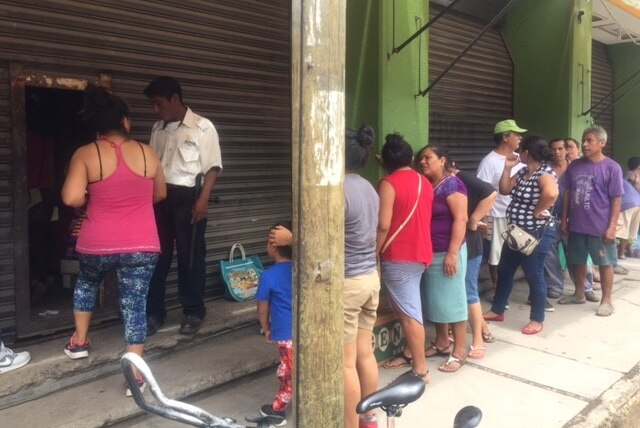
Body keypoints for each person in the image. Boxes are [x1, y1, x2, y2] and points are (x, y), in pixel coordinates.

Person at [61, 86, 166, 394]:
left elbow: (70, 197)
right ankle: (135, 375)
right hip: (142, 244)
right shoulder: (148, 152)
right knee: (135, 304)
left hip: (98, 244)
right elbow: (160, 193)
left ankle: (79, 341)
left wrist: (91, 195)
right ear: (125, 121)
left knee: (87, 283)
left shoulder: (86, 153)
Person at [144, 77, 223, 336]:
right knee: (157, 257)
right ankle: (154, 312)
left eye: (159, 104)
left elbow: (212, 167)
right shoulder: (157, 128)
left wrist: (203, 201)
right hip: (160, 199)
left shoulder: (202, 127)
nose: (156, 110)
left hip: (189, 199)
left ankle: (193, 311)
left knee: (191, 257)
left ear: (175, 99)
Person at [483, 136, 558, 335]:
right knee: (505, 269)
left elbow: (551, 194)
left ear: (527, 153)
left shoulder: (544, 173)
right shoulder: (524, 171)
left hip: (536, 233)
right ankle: (497, 310)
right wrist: (507, 168)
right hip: (517, 231)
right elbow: (505, 189)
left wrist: (538, 211)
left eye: (521, 151)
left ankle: (537, 319)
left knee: (534, 274)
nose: (518, 154)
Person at [378, 134, 434, 383]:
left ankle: (420, 369)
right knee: (412, 308)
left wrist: (373, 254)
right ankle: (412, 353)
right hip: (420, 253)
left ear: (383, 161)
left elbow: (383, 225)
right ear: (411, 158)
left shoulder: (388, 184)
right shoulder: (425, 182)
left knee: (410, 314)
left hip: (398, 255)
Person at [559, 126, 624, 317]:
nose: (585, 144)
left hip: (600, 227)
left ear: (602, 143)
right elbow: (567, 193)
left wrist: (612, 227)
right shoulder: (575, 165)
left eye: (590, 141)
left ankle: (606, 300)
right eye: (584, 140)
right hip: (577, 225)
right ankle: (579, 293)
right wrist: (564, 220)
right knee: (577, 260)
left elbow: (616, 199)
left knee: (605, 263)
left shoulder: (612, 167)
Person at [417, 145, 468, 372]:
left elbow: (461, 219)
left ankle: (459, 349)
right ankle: (441, 342)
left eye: (428, 158)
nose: (423, 162)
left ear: (442, 160)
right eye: (421, 158)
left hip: (448, 252)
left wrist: (452, 253)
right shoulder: (429, 184)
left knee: (453, 301)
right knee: (437, 300)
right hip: (432, 251)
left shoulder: (453, 185)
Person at [342, 125, 380, 428]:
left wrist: (291, 237)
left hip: (349, 284)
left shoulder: (336, 190)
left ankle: (350, 424)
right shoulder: (368, 186)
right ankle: (369, 418)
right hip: (370, 277)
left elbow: (319, 241)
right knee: (365, 353)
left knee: (344, 362)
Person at [544, 139, 598, 302]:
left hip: (573, 219)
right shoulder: (545, 169)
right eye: (553, 149)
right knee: (549, 255)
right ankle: (554, 286)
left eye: (561, 148)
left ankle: (586, 287)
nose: (557, 152)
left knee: (578, 254)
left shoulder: (575, 168)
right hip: (550, 218)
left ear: (566, 150)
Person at [452, 166, 497, 354]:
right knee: (457, 291)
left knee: (469, 291)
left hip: (469, 244)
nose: (424, 162)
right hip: (453, 246)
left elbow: (490, 193)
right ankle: (483, 326)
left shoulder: (458, 175)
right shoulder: (431, 180)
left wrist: (474, 219)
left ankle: (478, 339)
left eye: (429, 158)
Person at [477, 120, 526, 295]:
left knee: (522, 249)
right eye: (516, 134)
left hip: (517, 216)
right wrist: (482, 219)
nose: (520, 137)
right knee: (496, 255)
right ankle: (499, 291)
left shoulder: (520, 159)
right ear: (505, 137)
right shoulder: (489, 162)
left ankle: (507, 289)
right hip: (496, 215)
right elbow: (481, 191)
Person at [256, 222, 293, 426]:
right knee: (290, 369)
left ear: (273, 246)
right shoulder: (301, 268)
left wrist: (266, 328)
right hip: (305, 332)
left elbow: (263, 308)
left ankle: (277, 411)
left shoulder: (268, 275)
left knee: (290, 375)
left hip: (285, 334)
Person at [616, 163, 640, 260]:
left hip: (627, 204)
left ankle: (619, 253)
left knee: (620, 230)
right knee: (630, 231)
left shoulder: (623, 178)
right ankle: (624, 252)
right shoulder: (626, 179)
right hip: (638, 203)